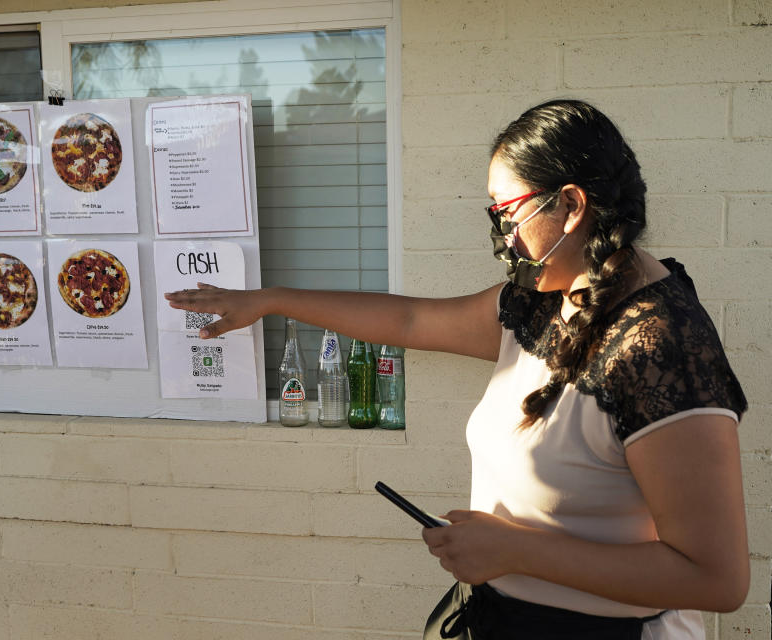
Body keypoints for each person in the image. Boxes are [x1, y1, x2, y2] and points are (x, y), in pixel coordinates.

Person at [164, 99, 748, 639]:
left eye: (508, 211)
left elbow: (716, 579)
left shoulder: (659, 347)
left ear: (570, 206)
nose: (502, 235)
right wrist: (269, 300)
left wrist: (514, 552)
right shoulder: (549, 297)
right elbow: (413, 322)